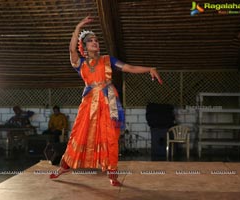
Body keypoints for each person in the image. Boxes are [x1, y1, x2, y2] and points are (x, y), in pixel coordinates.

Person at [49, 16, 163, 186]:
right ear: (84, 47)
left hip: (108, 101)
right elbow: (71, 49)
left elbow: (129, 68)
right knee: (79, 135)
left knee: (110, 136)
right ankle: (65, 166)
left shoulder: (108, 60)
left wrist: (149, 69)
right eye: (91, 41)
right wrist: (78, 27)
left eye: (96, 40)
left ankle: (112, 173)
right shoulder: (80, 63)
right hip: (89, 104)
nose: (95, 42)